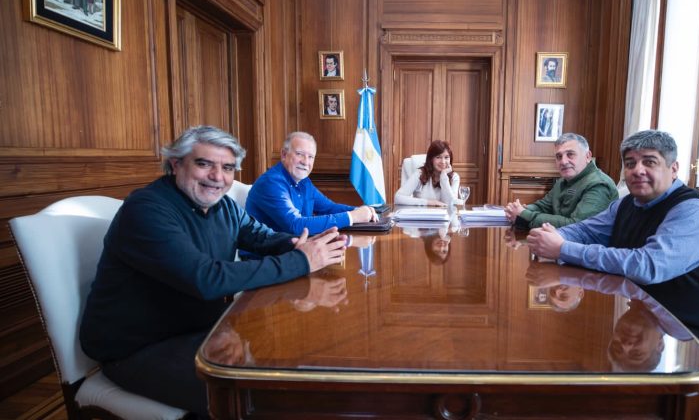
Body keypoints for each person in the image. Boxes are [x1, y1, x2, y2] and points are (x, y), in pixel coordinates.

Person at [79, 126, 347, 416]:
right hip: (138, 347)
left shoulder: (225, 206)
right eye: (204, 164)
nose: (217, 177)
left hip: (202, 328)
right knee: (259, 399)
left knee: (294, 369)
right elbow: (207, 279)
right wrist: (302, 261)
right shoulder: (146, 209)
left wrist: (300, 244)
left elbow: (261, 237)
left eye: (227, 167)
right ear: (176, 164)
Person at [525, 130, 699, 354]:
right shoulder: (627, 204)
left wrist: (563, 248)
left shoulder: (692, 210)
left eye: (649, 162)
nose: (637, 170)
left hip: (686, 334)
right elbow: (585, 230)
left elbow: (647, 266)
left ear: (673, 169)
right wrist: (554, 237)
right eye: (630, 163)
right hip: (641, 309)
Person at [246, 131, 377, 235]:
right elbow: (295, 225)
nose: (305, 162)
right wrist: (352, 217)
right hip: (265, 259)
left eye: (310, 157)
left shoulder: (304, 182)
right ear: (284, 155)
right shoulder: (271, 183)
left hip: (293, 252)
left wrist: (360, 211)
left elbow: (328, 208)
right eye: (299, 154)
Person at [505, 133, 618, 229]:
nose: (563, 161)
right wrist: (521, 209)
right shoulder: (563, 181)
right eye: (559, 156)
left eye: (570, 154)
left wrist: (525, 215)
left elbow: (577, 226)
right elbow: (543, 206)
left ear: (588, 156)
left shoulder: (599, 185)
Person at [395, 140, 461, 206]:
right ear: (431, 159)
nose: (443, 162)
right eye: (438, 157)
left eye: (446, 157)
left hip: (446, 216)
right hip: (422, 215)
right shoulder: (420, 174)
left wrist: (444, 177)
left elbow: (452, 203)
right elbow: (398, 198)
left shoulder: (454, 177)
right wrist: (429, 202)